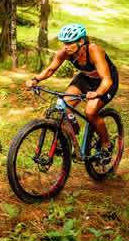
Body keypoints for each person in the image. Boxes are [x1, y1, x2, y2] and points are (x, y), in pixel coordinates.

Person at [25, 24, 119, 159]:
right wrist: (35, 80)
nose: (66, 46)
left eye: (69, 43)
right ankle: (72, 141)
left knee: (90, 111)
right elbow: (50, 69)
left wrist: (97, 93)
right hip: (86, 78)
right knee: (61, 106)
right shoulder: (64, 53)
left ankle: (106, 144)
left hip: (106, 81)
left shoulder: (94, 50)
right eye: (64, 43)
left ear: (81, 41)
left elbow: (107, 79)